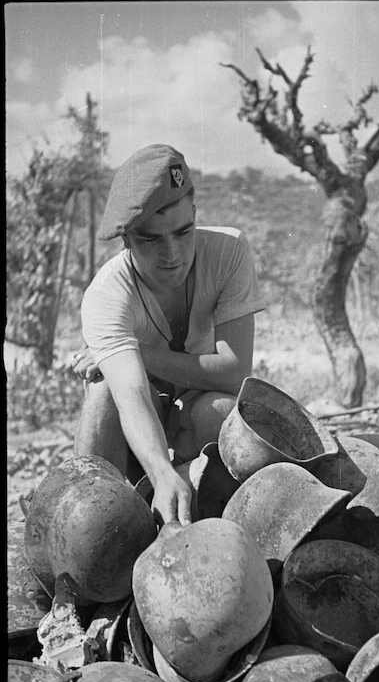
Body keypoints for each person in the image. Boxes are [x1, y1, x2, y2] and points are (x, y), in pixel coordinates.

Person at [72, 144, 265, 527]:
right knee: (103, 385)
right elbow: (131, 395)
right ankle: (96, 515)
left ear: (194, 215)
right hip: (138, 433)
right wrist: (162, 472)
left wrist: (139, 352)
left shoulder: (229, 252)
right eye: (151, 240)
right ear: (126, 239)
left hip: (196, 418)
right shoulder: (107, 295)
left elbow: (233, 374)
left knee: (223, 412)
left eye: (183, 232)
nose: (172, 253)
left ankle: (210, 512)